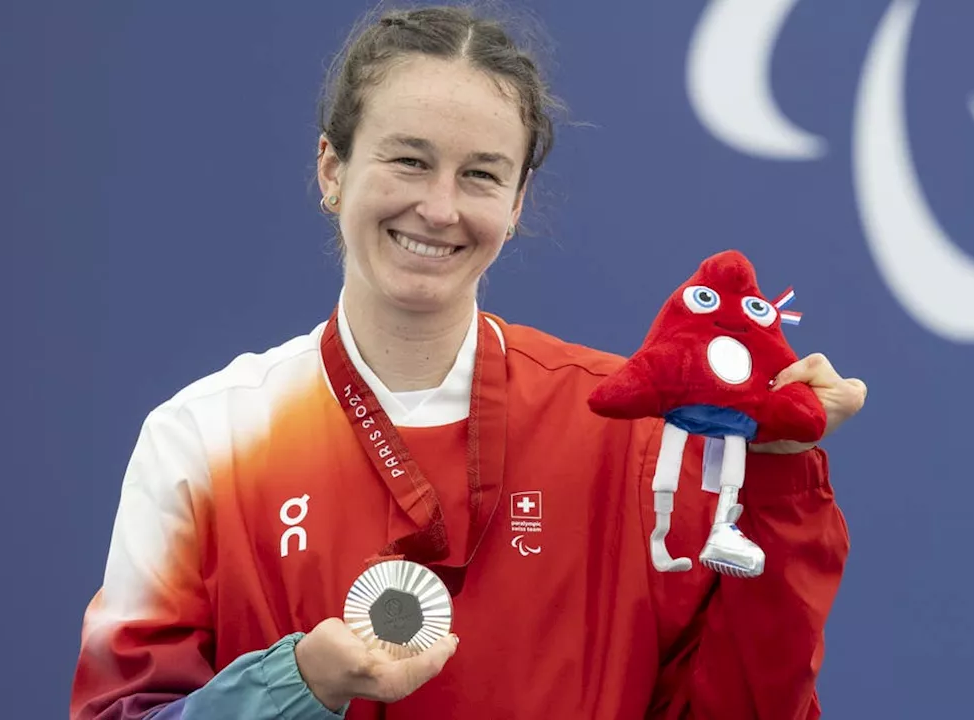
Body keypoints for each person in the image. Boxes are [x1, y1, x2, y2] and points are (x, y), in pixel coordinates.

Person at [69, 4, 866, 719]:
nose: (440, 207)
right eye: (408, 160)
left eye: (480, 174)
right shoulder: (208, 440)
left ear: (516, 204)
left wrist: (781, 479)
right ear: (331, 168)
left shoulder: (632, 442)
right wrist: (294, 687)